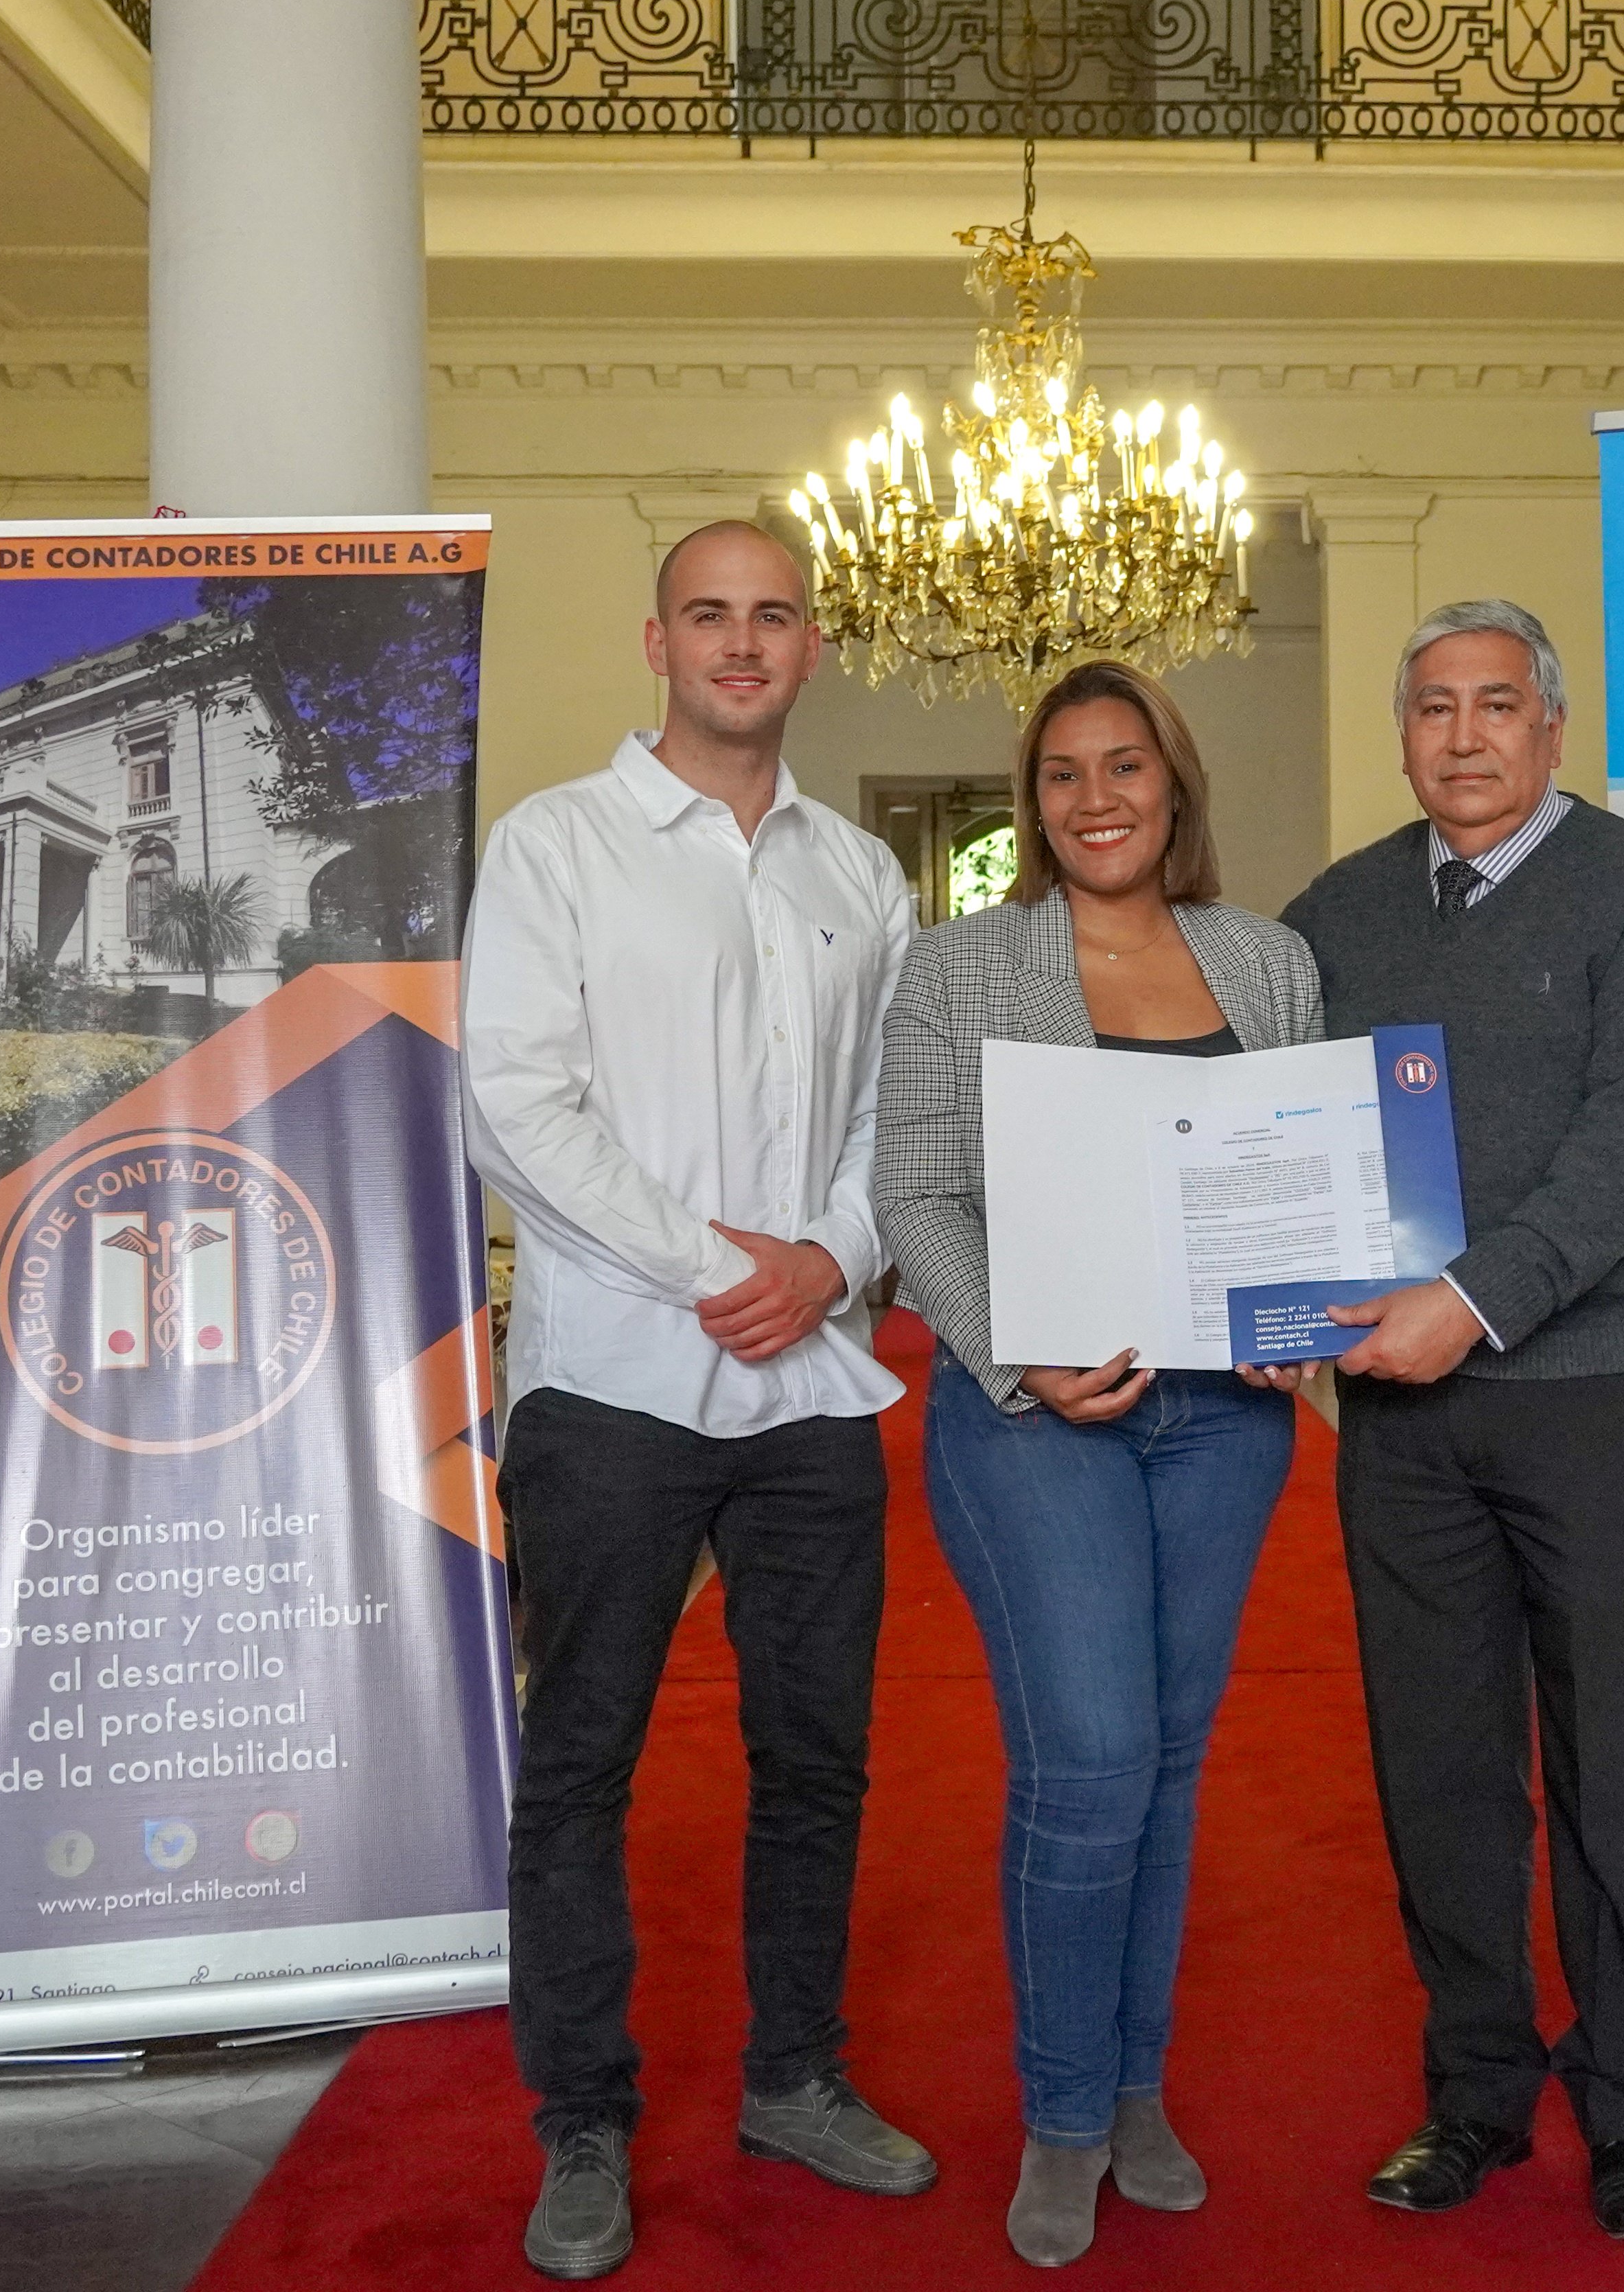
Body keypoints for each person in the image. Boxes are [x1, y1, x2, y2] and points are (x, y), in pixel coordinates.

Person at [461, 520, 933, 2282]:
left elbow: (913, 1113)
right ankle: (581, 2115)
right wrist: (714, 1262)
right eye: (710, 615)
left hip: (814, 1385)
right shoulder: (559, 847)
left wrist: (826, 1257)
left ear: (812, 645)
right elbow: (513, 1102)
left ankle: (795, 2075)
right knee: (581, 1764)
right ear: (655, 638)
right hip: (613, 1382)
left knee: (818, 1757)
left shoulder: (859, 877)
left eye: (776, 616)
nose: (744, 643)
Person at [1277, 599, 1624, 2243]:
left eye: (1498, 706)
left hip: (1594, 1393)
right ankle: (1473, 2093)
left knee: (1612, 1762)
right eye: (1436, 709)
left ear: (1551, 728)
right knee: (1440, 1766)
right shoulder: (1340, 914)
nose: (1465, 736)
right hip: (1401, 1417)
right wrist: (1269, 1299)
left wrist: (1469, 1301)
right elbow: (1275, 1131)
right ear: (1403, 737)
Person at [872, 661, 1327, 2267]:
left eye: (1122, 763)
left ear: (1171, 781)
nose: (1094, 796)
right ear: (1034, 800)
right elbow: (914, 1191)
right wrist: (1019, 1347)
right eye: (1060, 772)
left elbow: (1292, 1187)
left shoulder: (1266, 962)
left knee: (1172, 1761)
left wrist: (1302, 1319)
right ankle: (1064, 2112)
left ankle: (1139, 2086)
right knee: (1085, 1762)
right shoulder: (958, 963)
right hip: (1032, 1413)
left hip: (1225, 1421)